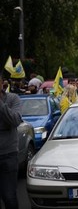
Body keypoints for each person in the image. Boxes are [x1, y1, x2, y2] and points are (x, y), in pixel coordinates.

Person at [0, 73, 23, 209]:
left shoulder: (13, 98)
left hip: (8, 155)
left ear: (2, 83)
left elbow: (15, 120)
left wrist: (1, 105)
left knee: (9, 197)